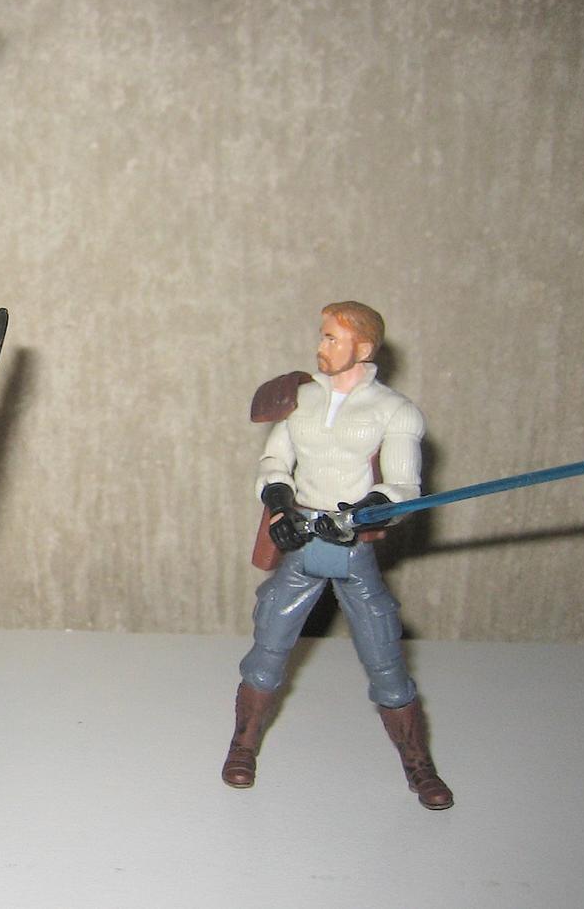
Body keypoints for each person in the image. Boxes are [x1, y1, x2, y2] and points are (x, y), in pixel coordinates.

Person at [222, 300, 453, 810]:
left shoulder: (395, 411)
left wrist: (364, 511)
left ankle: (418, 763)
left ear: (362, 348)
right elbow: (273, 459)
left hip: (352, 547)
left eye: (331, 338)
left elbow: (403, 486)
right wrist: (279, 502)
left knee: (384, 656)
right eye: (323, 335)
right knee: (267, 648)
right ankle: (243, 745)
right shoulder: (300, 397)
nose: (321, 346)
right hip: (302, 540)